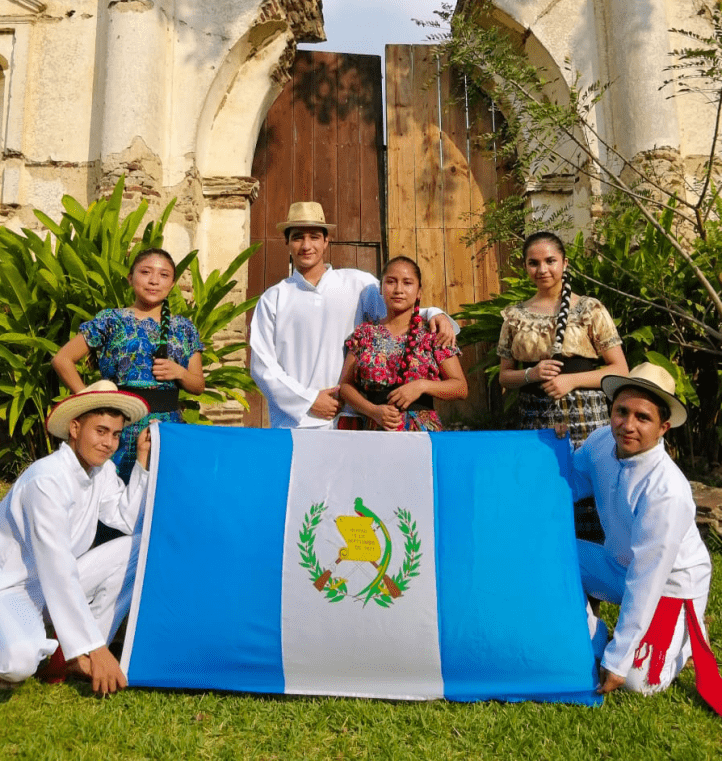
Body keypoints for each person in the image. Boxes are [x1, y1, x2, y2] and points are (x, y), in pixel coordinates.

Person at [0, 381, 152, 694]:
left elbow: (127, 520)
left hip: (49, 590)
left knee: (136, 546)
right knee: (18, 662)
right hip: (4, 591)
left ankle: (77, 653)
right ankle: (70, 646)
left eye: (115, 434)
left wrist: (141, 458)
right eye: (100, 431)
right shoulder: (46, 479)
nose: (109, 443)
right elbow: (57, 567)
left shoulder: (100, 472)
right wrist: (97, 648)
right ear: (75, 428)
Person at [572, 363, 721, 708]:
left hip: (669, 585)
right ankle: (591, 636)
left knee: (638, 682)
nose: (627, 425)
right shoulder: (599, 441)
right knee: (553, 557)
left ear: (663, 428)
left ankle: (682, 637)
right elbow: (572, 482)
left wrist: (618, 660)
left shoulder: (666, 490)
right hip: (618, 564)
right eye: (621, 411)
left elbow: (647, 579)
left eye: (643, 417)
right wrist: (551, 450)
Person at [249, 202, 458, 429]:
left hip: (351, 419)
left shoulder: (358, 284)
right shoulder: (274, 299)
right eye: (298, 237)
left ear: (327, 241)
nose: (306, 245)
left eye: (315, 237)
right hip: (295, 421)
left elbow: (398, 307)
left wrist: (434, 313)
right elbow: (262, 366)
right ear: (287, 242)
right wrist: (309, 400)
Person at [497, 231, 628, 541]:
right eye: (534, 263)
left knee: (591, 491)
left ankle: (597, 575)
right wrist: (533, 374)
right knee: (543, 491)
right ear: (525, 266)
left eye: (550, 261)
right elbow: (505, 376)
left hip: (587, 420)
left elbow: (619, 370)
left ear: (564, 263)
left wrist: (570, 380)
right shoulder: (515, 316)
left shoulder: (589, 309)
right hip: (536, 420)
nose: (542, 270)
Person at [52, 247, 204, 483]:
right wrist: (89, 402)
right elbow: (62, 359)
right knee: (114, 494)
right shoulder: (111, 320)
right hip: (119, 426)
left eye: (164, 275)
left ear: (172, 284)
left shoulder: (184, 328)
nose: (154, 281)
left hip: (167, 429)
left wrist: (180, 372)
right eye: (146, 272)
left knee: (161, 494)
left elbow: (198, 385)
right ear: (130, 278)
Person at [338, 256, 467, 430]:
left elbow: (460, 387)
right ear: (381, 289)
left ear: (419, 292)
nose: (398, 289)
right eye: (391, 282)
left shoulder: (433, 335)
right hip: (375, 428)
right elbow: (345, 386)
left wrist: (421, 386)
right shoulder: (364, 335)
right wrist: (373, 411)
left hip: (422, 433)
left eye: (407, 283)